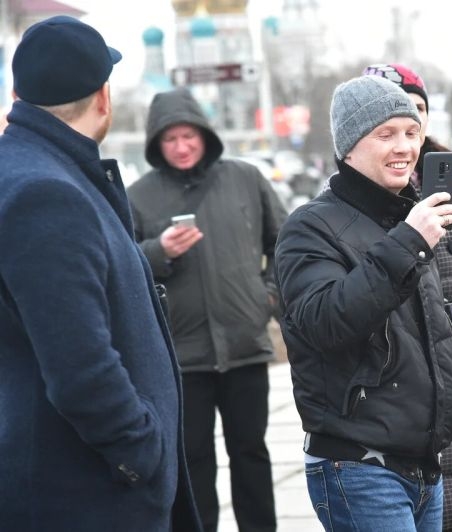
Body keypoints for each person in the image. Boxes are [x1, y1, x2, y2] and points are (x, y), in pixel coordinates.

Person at [0, 16, 200, 532]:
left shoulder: (36, 171)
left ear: (18, 95)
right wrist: (140, 452)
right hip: (83, 494)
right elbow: (79, 367)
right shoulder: (46, 191)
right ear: (103, 97)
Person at [274, 75, 452, 531]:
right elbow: (324, 322)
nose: (404, 147)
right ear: (349, 147)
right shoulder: (310, 227)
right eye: (385, 134)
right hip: (359, 466)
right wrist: (409, 242)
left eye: (411, 132)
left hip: (424, 464)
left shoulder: (408, 216)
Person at [127, 87, 287, 532]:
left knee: (251, 453)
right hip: (182, 357)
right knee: (193, 460)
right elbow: (121, 266)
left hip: (244, 347)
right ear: (155, 143)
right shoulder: (137, 196)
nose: (181, 147)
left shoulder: (245, 178)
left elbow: (285, 245)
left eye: (188, 136)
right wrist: (158, 251)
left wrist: (267, 298)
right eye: (170, 139)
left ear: (204, 135)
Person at [363, 63, 452, 530]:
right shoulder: (354, 200)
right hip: (402, 380)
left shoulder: (442, 189)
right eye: (391, 120)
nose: (409, 126)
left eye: (417, 112)